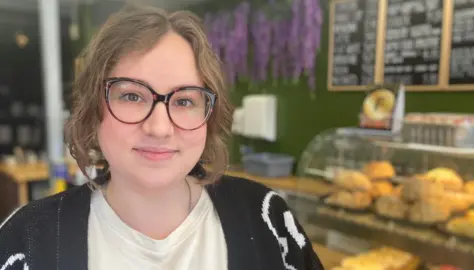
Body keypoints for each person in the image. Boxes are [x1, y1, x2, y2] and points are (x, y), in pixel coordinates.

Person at [0, 5, 323, 270]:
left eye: (184, 101)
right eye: (131, 96)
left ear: (210, 116)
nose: (159, 128)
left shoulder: (268, 221)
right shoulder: (26, 240)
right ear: (91, 109)